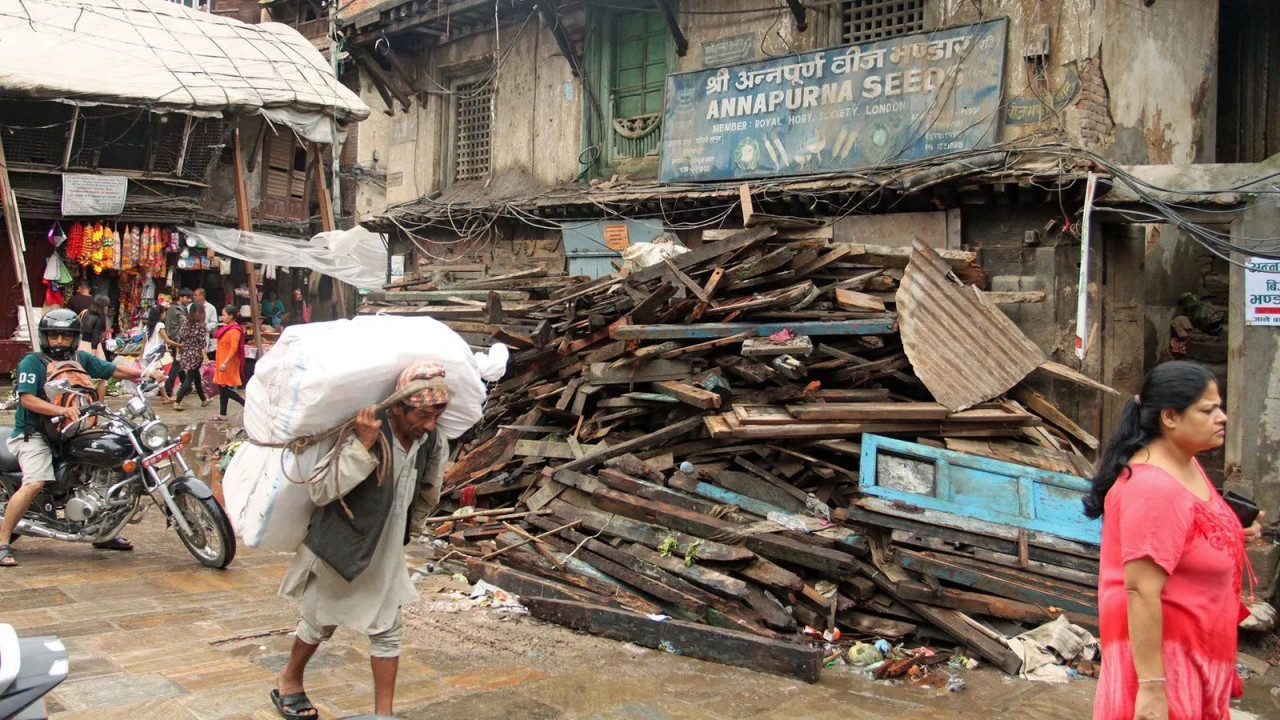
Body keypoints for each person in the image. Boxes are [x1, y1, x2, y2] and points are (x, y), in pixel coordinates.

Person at [272, 363, 452, 720]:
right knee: (319, 619)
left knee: (388, 629)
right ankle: (289, 679)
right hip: (342, 541)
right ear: (397, 407)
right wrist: (363, 445)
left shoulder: (431, 439)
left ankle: (382, 715)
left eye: (436, 415)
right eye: (422, 414)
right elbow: (322, 491)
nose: (429, 424)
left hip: (385, 548)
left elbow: (429, 490)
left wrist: (406, 532)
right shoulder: (364, 431)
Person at [1087, 361, 1265, 720]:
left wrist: (1232, 531)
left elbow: (1187, 533)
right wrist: (1152, 690)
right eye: (1208, 409)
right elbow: (1141, 591)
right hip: (1166, 666)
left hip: (1196, 652)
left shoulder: (1185, 463)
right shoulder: (1153, 487)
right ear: (1170, 417)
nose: (1223, 418)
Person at [0, 309, 160, 568]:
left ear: (74, 338)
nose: (60, 341)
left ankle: (102, 532)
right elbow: (27, 398)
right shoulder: (32, 362)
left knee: (106, 465)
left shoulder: (80, 357)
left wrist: (144, 375)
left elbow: (111, 370)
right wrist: (61, 410)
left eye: (66, 336)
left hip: (71, 430)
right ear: (45, 337)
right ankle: (3, 541)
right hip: (34, 435)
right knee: (35, 482)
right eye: (54, 336)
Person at [171, 304, 211, 411]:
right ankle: (178, 401)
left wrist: (179, 353)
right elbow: (202, 343)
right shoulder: (201, 326)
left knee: (196, 376)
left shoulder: (185, 323)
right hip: (196, 355)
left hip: (186, 353)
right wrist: (205, 357)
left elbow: (179, 338)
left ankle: (203, 399)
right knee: (189, 378)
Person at [212, 306, 246, 421]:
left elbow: (234, 348)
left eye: (224, 315)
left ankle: (245, 404)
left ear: (231, 316)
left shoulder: (235, 330)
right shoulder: (226, 328)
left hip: (229, 362)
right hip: (222, 360)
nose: (222, 317)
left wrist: (226, 362)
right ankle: (223, 414)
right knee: (223, 386)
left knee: (224, 388)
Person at [78, 295, 111, 399]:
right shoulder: (99, 319)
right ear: (102, 306)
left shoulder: (84, 313)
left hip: (81, 345)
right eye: (106, 306)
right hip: (93, 347)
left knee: (81, 376)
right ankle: (100, 403)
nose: (107, 308)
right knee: (102, 377)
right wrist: (93, 354)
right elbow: (95, 337)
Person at [162, 289, 192, 398]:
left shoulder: (172, 308)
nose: (189, 300)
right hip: (178, 340)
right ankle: (168, 389)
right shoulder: (179, 309)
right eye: (187, 298)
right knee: (177, 364)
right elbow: (184, 325)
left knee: (178, 363)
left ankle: (186, 386)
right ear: (181, 297)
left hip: (173, 338)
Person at [140, 305, 172, 403]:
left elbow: (144, 343)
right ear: (161, 314)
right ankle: (139, 395)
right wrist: (179, 344)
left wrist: (140, 356)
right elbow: (167, 340)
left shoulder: (147, 326)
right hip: (154, 355)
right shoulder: (160, 325)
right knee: (154, 376)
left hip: (147, 354)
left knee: (157, 376)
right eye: (164, 312)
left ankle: (165, 397)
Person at [193, 288, 218, 355]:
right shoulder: (190, 306)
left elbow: (215, 322)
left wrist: (204, 327)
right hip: (191, 336)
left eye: (195, 295)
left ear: (202, 296)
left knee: (202, 355)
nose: (193, 297)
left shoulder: (211, 308)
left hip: (204, 335)